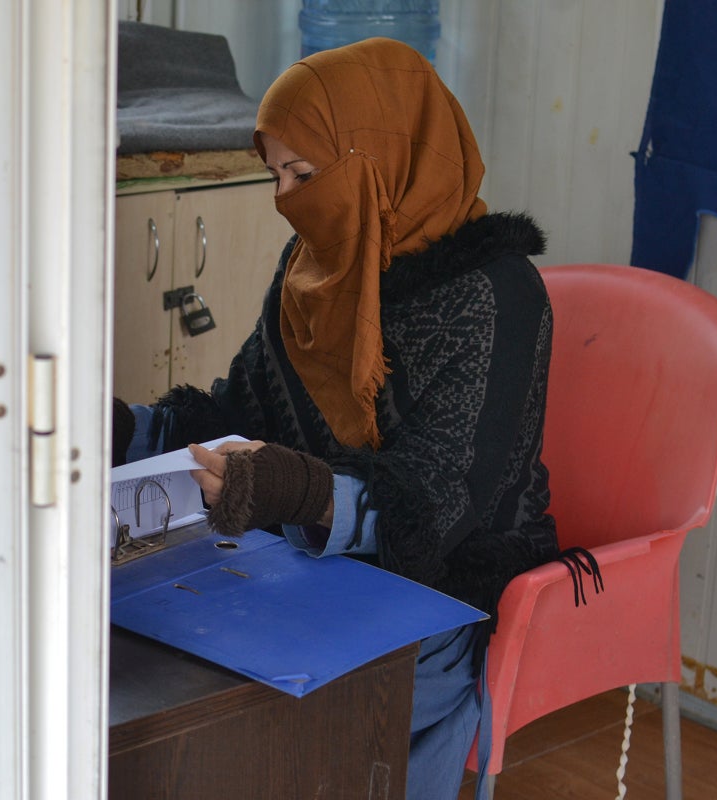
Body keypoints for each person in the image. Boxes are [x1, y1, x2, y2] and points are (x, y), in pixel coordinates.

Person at [112, 37, 563, 799]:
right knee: (146, 662)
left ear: (383, 161)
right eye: (276, 174)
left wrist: (292, 490)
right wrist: (120, 429)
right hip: (305, 562)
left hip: (444, 595)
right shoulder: (314, 267)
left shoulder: (496, 297)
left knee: (251, 720)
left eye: (306, 173)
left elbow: (436, 506)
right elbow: (238, 412)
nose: (287, 197)